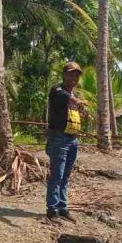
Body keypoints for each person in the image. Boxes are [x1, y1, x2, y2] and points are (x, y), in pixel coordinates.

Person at [45, 61, 87, 223]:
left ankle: (62, 207)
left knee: (65, 176)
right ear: (64, 75)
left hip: (72, 139)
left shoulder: (74, 96)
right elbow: (62, 96)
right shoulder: (58, 91)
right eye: (70, 74)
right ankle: (52, 210)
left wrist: (79, 106)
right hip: (59, 139)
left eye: (76, 75)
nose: (73, 78)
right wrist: (75, 100)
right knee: (57, 175)